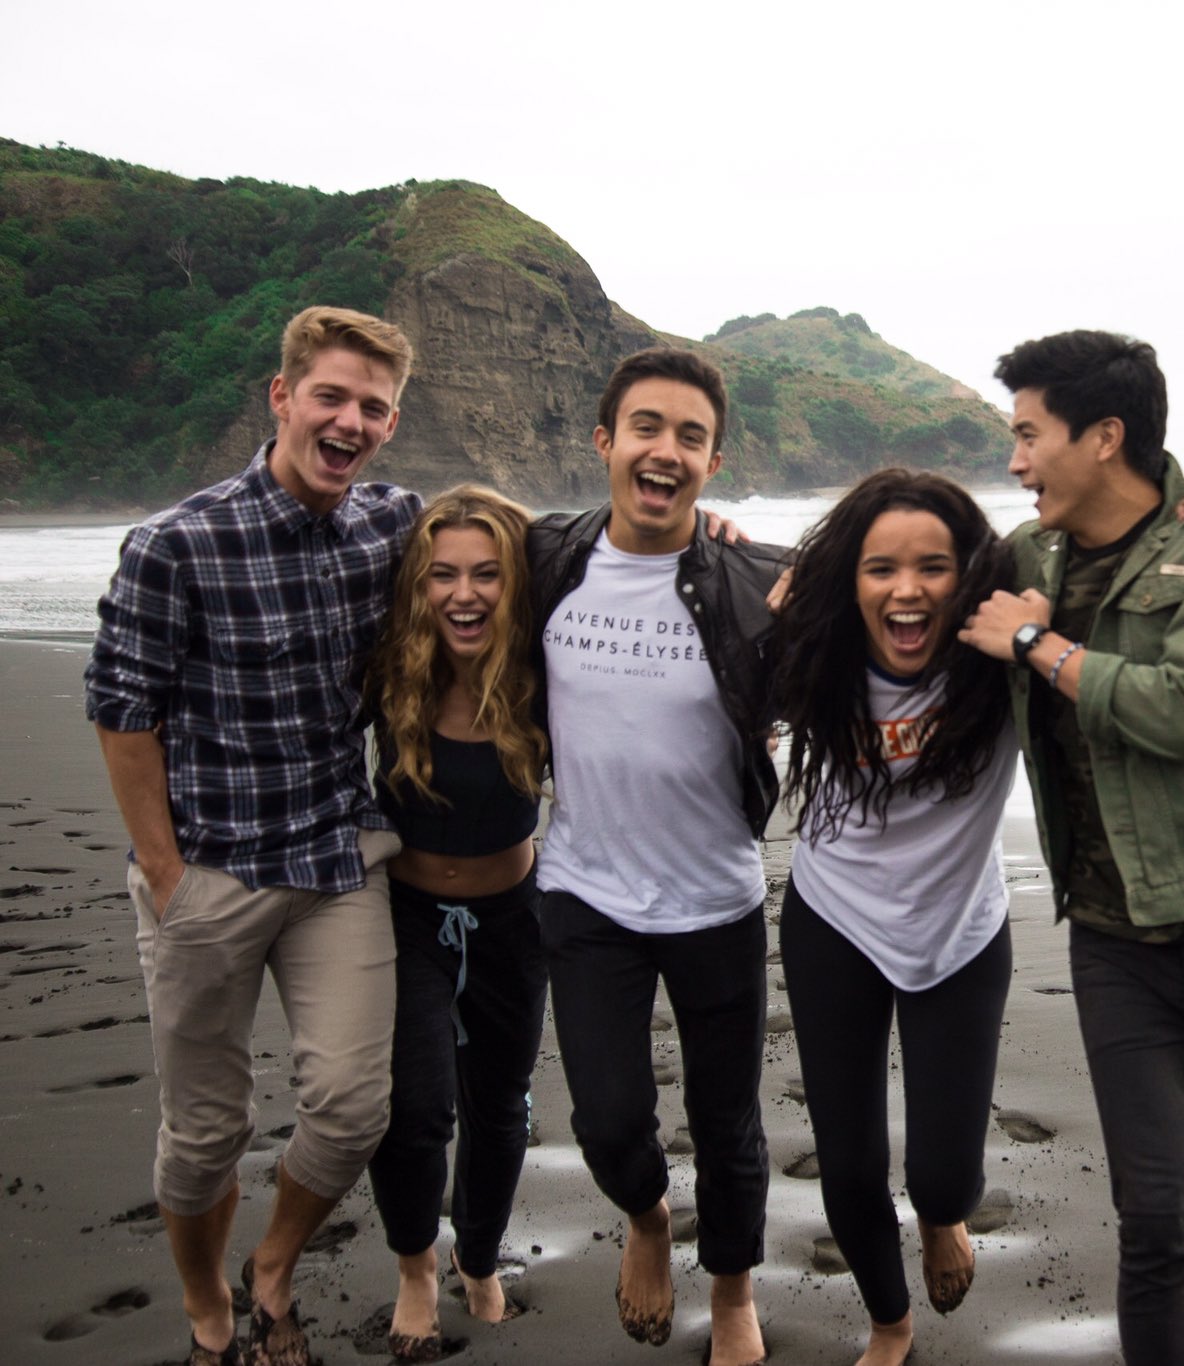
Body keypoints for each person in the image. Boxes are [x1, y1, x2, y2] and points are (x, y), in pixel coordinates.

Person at [960, 330, 1184, 1366]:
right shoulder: (1028, 557)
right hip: (1114, 942)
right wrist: (721, 543)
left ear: (1104, 436)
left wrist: (1038, 644)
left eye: (1030, 435)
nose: (1015, 461)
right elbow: (902, 568)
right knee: (1153, 1216)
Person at [85, 306, 421, 1366]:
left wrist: (718, 535)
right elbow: (121, 708)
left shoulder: (393, 524)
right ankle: (209, 1310)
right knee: (203, 1136)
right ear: (282, 397)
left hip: (336, 862)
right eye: (331, 396)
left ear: (390, 425)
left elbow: (517, 550)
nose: (350, 421)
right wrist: (165, 873)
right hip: (209, 872)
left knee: (353, 1107)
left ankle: (271, 1267)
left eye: (372, 407)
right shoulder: (177, 542)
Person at [525, 347, 784, 1366]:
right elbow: (435, 550)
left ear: (714, 463)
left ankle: (731, 1291)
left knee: (727, 1120)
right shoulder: (544, 558)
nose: (664, 450)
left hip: (716, 897)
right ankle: (645, 1216)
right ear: (604, 441)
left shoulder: (753, 576)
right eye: (646, 427)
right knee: (606, 1118)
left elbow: (906, 567)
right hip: (584, 890)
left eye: (690, 436)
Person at [769, 469, 1017, 1366]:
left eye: (932, 568)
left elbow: (1119, 577)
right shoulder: (814, 650)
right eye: (881, 569)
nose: (905, 590)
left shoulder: (1000, 663)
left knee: (943, 1177)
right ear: (852, 581)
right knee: (848, 1165)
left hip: (960, 931)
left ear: (969, 577)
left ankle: (944, 1219)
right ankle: (890, 1324)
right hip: (833, 922)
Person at [363, 486, 550, 1361]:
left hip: (513, 921)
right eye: (443, 575)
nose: (464, 595)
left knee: (500, 1106)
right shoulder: (389, 669)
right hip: (406, 919)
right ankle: (415, 1269)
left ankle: (478, 1258)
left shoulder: (546, 678)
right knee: (414, 1108)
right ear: (418, 584)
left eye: (487, 574)